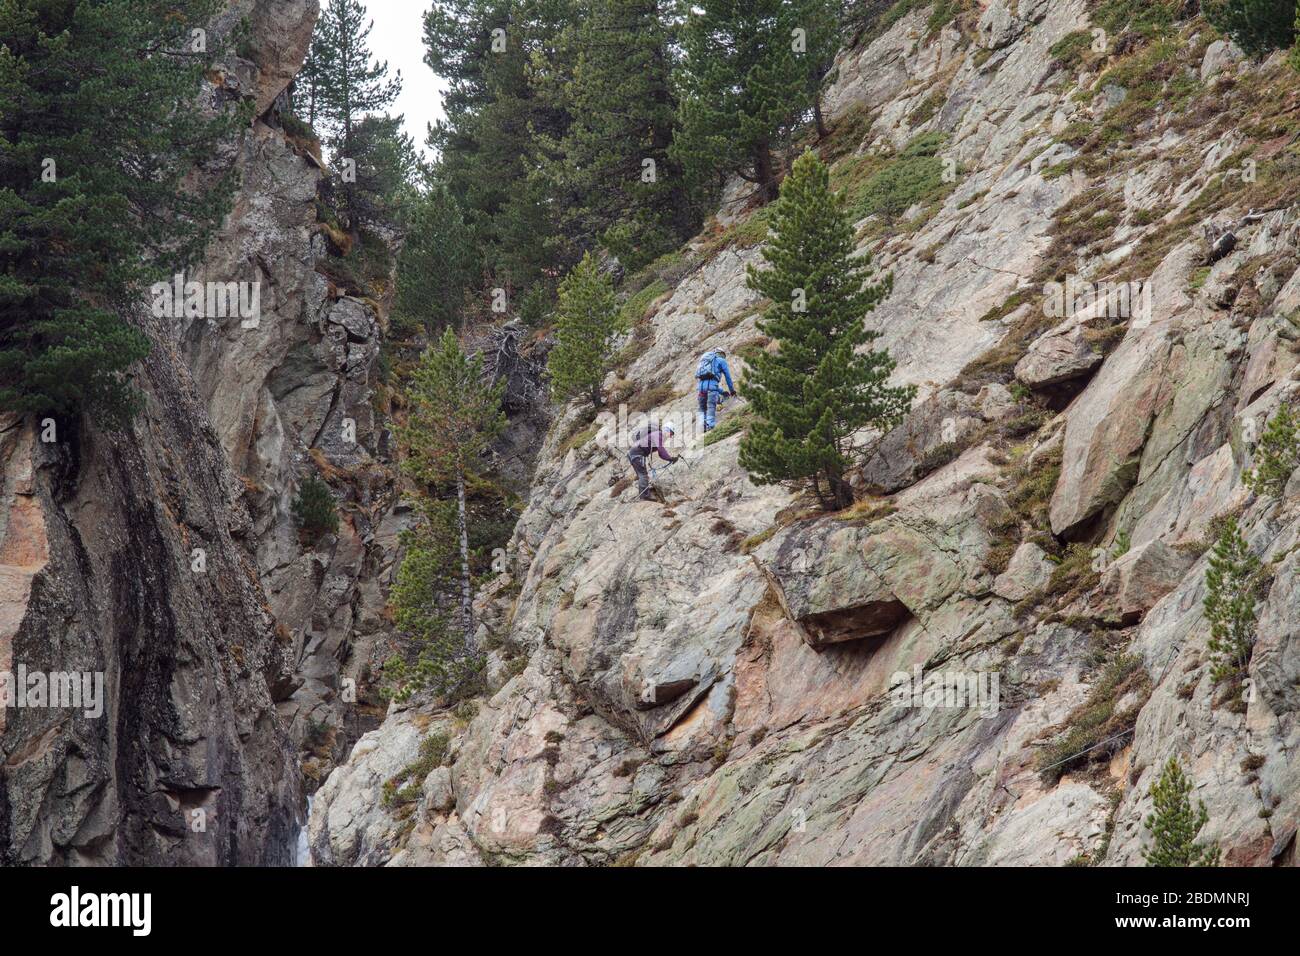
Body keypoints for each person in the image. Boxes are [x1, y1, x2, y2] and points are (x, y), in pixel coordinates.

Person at [628, 420, 678, 500]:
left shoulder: (657, 435)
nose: (671, 436)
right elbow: (661, 450)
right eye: (671, 433)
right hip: (638, 453)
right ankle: (645, 497)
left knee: (642, 474)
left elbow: (660, 453)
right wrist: (670, 458)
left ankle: (643, 495)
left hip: (634, 453)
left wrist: (670, 459)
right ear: (667, 430)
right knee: (643, 475)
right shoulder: (659, 434)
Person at [695, 348, 736, 432]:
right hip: (711, 388)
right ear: (721, 354)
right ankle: (710, 425)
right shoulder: (721, 361)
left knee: (702, 408)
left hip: (701, 388)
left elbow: (706, 382)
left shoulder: (705, 361)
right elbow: (727, 377)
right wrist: (732, 391)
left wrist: (722, 392)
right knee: (711, 406)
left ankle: (701, 426)